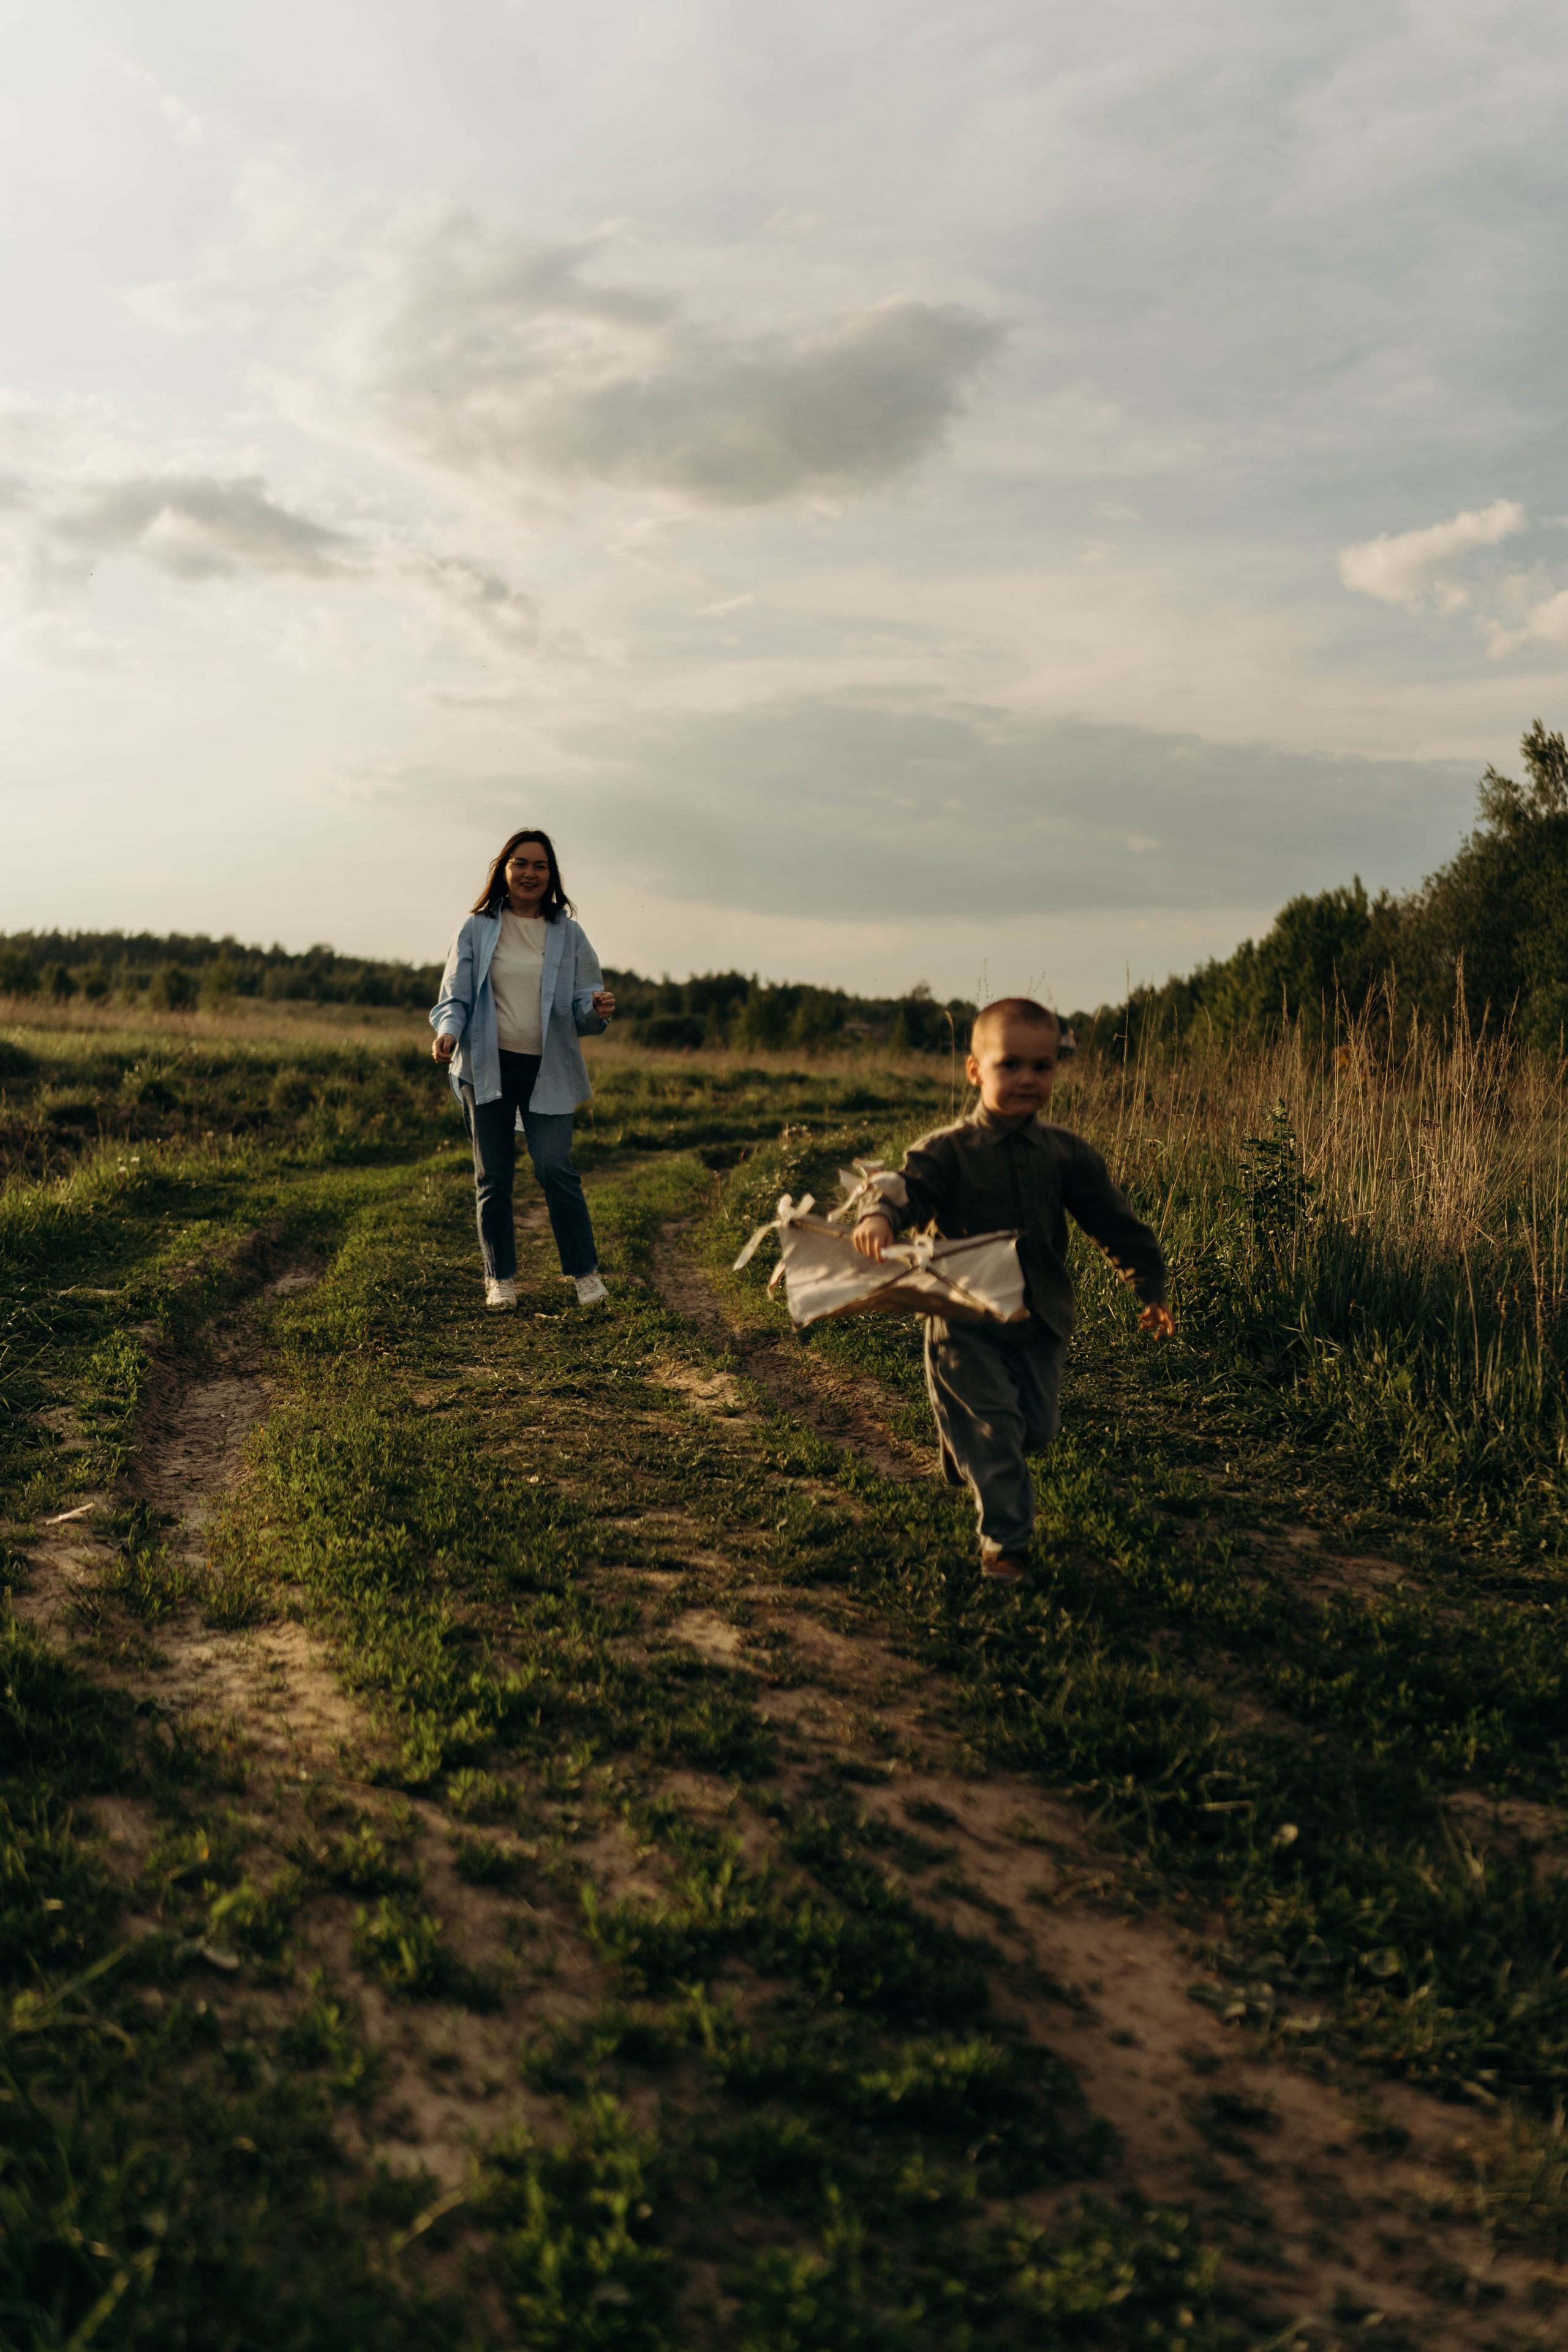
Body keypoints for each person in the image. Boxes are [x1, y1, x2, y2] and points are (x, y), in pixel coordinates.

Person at [851, 997, 1172, 1586]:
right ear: (975, 1070)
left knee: (1036, 1428)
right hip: (964, 1321)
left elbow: (1112, 1220)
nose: (1028, 1079)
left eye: (1042, 1067)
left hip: (1041, 1319)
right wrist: (881, 1218)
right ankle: (1007, 1547)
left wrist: (1148, 1284)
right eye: (1010, 1065)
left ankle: (965, 1443)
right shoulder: (949, 1149)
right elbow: (904, 1187)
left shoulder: (1066, 1153)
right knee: (999, 1430)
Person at [430, 829, 616, 1310]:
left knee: (556, 1169)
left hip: (547, 1068)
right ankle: (501, 1279)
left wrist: (596, 1008)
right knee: (494, 1177)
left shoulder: (568, 934)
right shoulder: (476, 928)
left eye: (540, 866)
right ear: (504, 869)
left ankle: (585, 1275)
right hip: (486, 1066)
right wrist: (448, 1032)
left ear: (551, 876)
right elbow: (456, 995)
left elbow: (582, 1003)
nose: (529, 873)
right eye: (520, 863)